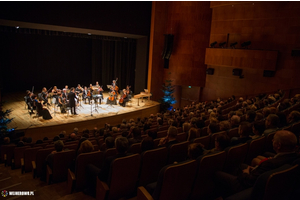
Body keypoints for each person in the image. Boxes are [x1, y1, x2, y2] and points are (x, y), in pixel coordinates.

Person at [215, 130, 299, 198]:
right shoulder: (295, 158)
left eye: (274, 140)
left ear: (279, 145)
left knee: (218, 174)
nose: (272, 141)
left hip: (248, 185)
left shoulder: (269, 163)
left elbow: (249, 181)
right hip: (262, 179)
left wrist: (246, 172)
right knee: (240, 165)